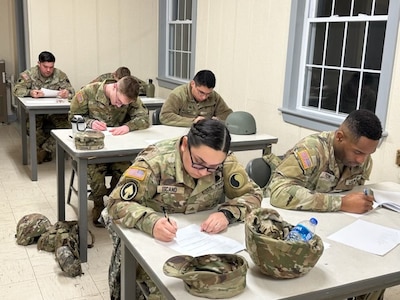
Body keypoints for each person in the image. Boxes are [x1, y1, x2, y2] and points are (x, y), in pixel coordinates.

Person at [103, 118, 262, 299]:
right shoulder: (155, 161)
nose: (204, 172)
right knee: (167, 291)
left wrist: (227, 214)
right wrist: (151, 222)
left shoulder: (223, 161)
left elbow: (253, 194)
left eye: (212, 168)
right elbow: (116, 203)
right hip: (156, 241)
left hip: (203, 243)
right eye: (198, 163)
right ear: (185, 145)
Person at [267, 109, 384, 300]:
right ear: (340, 137)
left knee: (375, 273)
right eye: (358, 152)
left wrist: (363, 199)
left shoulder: (363, 158)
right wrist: (341, 203)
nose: (362, 160)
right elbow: (278, 192)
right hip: (295, 231)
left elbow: (354, 190)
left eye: (369, 153)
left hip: (336, 230)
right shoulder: (311, 150)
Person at [68, 75, 150, 227]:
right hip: (93, 150)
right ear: (114, 87)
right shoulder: (88, 92)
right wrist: (90, 123)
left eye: (123, 104)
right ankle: (98, 204)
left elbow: (144, 118)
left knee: (129, 172)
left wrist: (128, 126)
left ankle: (116, 202)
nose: (119, 106)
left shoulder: (129, 95)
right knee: (95, 173)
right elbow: (73, 117)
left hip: (117, 149)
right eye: (118, 101)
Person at [13, 51, 75, 163]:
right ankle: (45, 150)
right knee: (31, 128)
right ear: (39, 64)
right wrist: (30, 92)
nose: (48, 70)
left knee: (67, 127)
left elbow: (71, 91)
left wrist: (67, 93)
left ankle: (45, 150)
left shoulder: (59, 75)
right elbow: (17, 90)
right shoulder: (29, 74)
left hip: (56, 112)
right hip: (36, 112)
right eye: (45, 66)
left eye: (51, 67)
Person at [159, 69, 233, 127]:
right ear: (192, 84)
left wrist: (218, 120)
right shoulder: (178, 94)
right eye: (201, 92)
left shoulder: (214, 97)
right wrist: (193, 122)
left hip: (205, 136)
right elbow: (165, 116)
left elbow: (228, 115)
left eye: (208, 94)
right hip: (180, 134)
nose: (204, 97)